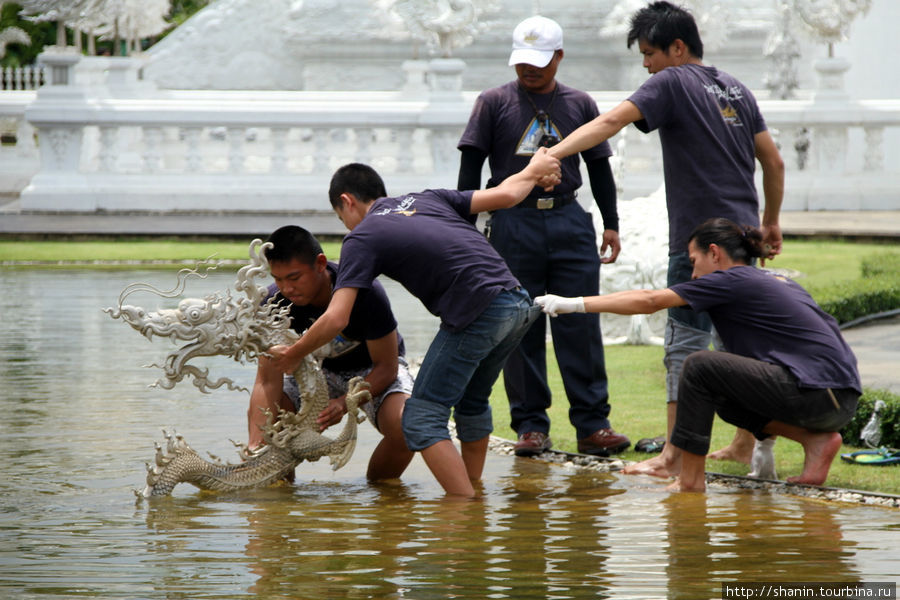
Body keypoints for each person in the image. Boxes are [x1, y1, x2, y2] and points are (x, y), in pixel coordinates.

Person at [543, 1, 786, 476]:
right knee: (741, 346)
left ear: (678, 48)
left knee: (684, 344)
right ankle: (743, 446)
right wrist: (771, 221)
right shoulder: (736, 87)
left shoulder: (672, 81)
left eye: (650, 52)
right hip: (742, 235)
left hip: (699, 241)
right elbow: (773, 162)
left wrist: (552, 153)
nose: (646, 64)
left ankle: (674, 454)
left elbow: (610, 121)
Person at [265, 149, 562, 498]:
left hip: (478, 310)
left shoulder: (362, 237)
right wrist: (534, 169)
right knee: (472, 402)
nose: (345, 225)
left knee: (422, 417)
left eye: (340, 216)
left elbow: (336, 316)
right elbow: (509, 194)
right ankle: (474, 491)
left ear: (347, 202)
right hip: (517, 302)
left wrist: (295, 352)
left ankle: (463, 508)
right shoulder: (427, 198)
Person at [535, 218, 861, 492]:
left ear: (715, 254)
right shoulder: (767, 279)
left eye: (694, 262)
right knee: (720, 393)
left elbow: (649, 300)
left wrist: (572, 303)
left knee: (698, 365)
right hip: (838, 399)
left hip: (817, 392)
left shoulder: (729, 278)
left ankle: (689, 479)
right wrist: (764, 447)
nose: (692, 275)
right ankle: (814, 442)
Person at [457, 15, 630, 458]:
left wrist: (610, 222)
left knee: (580, 321)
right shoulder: (493, 102)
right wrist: (466, 227)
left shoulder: (580, 103)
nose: (528, 70)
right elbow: (470, 168)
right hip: (513, 222)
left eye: (538, 62)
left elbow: (598, 167)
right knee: (520, 324)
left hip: (570, 221)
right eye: (521, 63)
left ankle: (593, 425)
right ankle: (531, 425)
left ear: (558, 57)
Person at [247, 225, 415, 481]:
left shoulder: (366, 292)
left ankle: (382, 496)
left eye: (294, 278)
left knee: (408, 428)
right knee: (271, 425)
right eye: (277, 279)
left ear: (320, 264)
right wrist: (255, 444)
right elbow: (267, 380)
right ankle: (280, 502)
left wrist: (345, 403)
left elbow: (387, 368)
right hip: (317, 371)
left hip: (371, 369)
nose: (286, 288)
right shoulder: (273, 304)